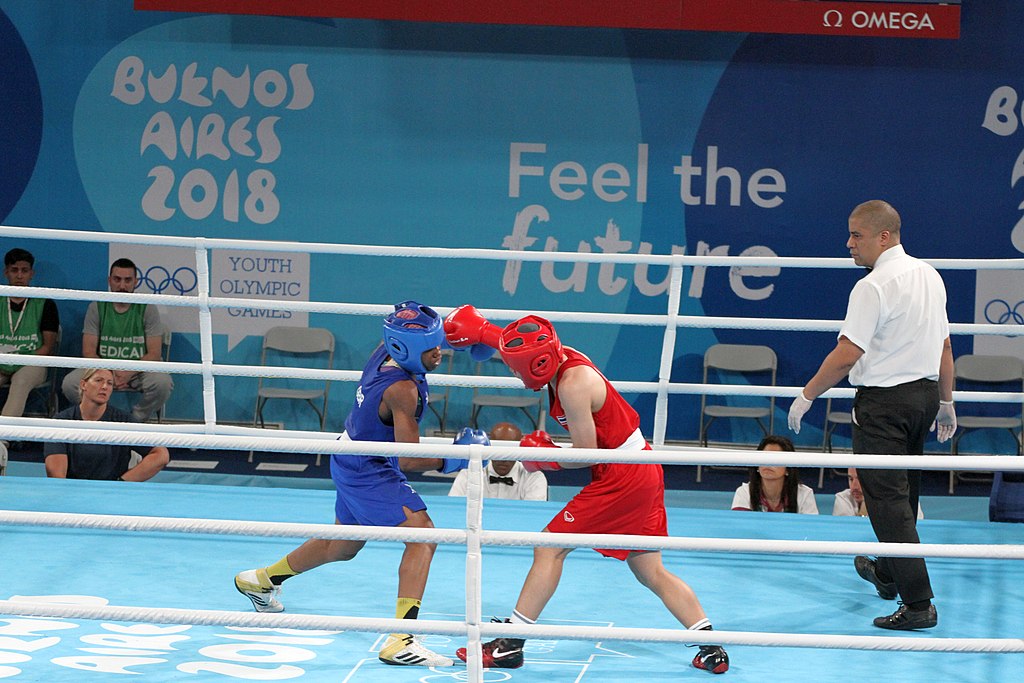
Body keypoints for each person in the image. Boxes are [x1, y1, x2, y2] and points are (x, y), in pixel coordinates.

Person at [444, 305, 729, 674]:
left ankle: (510, 644)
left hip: (622, 474)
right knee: (649, 569)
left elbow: (587, 452)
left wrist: (546, 457)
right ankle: (712, 647)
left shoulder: (574, 385)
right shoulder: (550, 354)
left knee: (549, 547)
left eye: (516, 370)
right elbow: (512, 346)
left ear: (538, 366)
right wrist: (481, 331)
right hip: (641, 469)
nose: (513, 373)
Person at [234, 301, 473, 668]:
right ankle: (401, 639)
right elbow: (407, 458)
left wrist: (469, 338)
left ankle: (261, 580)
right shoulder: (402, 391)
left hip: (349, 453)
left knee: (342, 545)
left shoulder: (388, 351)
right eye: (433, 347)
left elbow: (415, 337)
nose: (440, 351)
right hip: (368, 466)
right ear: (408, 351)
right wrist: (459, 457)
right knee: (423, 534)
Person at [787, 199, 956, 631]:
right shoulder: (929, 275)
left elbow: (847, 355)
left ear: (884, 235)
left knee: (887, 504)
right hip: (921, 399)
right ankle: (887, 570)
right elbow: (945, 347)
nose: (848, 243)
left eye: (856, 235)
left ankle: (918, 605)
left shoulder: (873, 285)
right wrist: (946, 400)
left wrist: (807, 394)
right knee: (905, 493)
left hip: (884, 405)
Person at [62, 258, 173, 422]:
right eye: (117, 279)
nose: (122, 286)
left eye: (128, 280)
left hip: (139, 370)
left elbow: (155, 354)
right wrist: (110, 373)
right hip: (104, 369)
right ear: (110, 281)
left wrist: (128, 372)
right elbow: (89, 352)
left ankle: (135, 420)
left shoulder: (147, 307)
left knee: (163, 384)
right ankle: (103, 417)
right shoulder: (97, 307)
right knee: (70, 384)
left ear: (136, 282)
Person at [43, 368, 169, 481]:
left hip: (111, 495)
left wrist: (122, 483)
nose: (104, 386)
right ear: (83, 384)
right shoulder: (62, 422)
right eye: (98, 380)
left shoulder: (122, 421)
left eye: (109, 383)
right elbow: (57, 478)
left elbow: (161, 455)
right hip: (73, 494)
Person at [0, 248, 59, 420]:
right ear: (6, 273)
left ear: (31, 274)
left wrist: (20, 360)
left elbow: (47, 347)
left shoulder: (45, 303)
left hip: (31, 362)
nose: (19, 276)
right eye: (14, 270)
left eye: (24, 271)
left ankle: (2, 439)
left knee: (20, 382)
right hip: (2, 359)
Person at [448, 422, 549, 501]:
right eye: (498, 450)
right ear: (489, 447)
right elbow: (453, 507)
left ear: (519, 450)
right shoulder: (468, 472)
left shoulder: (534, 477)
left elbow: (532, 517)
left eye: (508, 451)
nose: (503, 458)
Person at [731, 435, 818, 513]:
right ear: (757, 465)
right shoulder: (744, 492)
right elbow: (739, 528)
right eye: (765, 458)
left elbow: (812, 529)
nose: (768, 463)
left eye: (775, 459)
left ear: (788, 469)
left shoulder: (804, 495)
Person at [834, 467, 923, 519]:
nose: (854, 486)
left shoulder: (905, 498)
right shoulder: (843, 498)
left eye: (860, 479)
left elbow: (919, 528)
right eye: (851, 479)